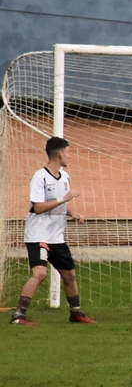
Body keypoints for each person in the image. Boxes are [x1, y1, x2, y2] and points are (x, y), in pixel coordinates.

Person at [10, 136, 95, 325]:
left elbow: (59, 203)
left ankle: (76, 314)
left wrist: (72, 213)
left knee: (69, 275)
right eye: (68, 152)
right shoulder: (40, 177)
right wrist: (65, 199)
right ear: (60, 154)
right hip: (38, 235)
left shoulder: (65, 177)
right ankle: (18, 316)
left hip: (56, 236)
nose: (70, 156)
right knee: (40, 273)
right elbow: (38, 207)